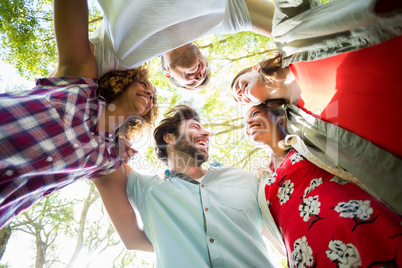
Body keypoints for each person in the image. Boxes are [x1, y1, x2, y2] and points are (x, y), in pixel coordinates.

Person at [230, 0, 402, 213]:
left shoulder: (288, 35)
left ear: (254, 68)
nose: (238, 94)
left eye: (237, 84)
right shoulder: (300, 132)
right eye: (239, 100)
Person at [0, 0, 158, 229]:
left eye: (152, 99)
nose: (149, 95)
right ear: (122, 83)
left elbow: (132, 237)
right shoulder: (79, 84)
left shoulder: (106, 161)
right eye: (145, 85)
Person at [93, 105, 276, 267]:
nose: (207, 133)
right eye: (195, 127)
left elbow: (279, 238)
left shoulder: (246, 179)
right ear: (169, 138)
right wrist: (116, 141)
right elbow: (98, 144)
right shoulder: (148, 189)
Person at [244, 100, 402, 267]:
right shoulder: (259, 180)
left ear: (281, 118)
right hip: (308, 256)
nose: (248, 123)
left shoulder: (307, 140)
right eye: (245, 123)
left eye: (255, 113)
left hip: (357, 226)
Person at [90, 0, 275, 89]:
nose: (199, 75)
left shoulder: (120, 56)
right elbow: (284, 24)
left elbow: (68, 86)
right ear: (201, 53)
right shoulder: (221, 15)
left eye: (193, 82)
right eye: (205, 72)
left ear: (167, 73)